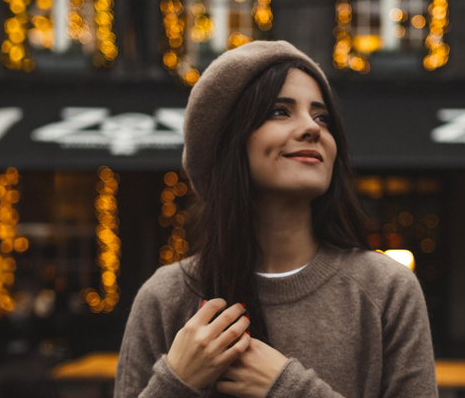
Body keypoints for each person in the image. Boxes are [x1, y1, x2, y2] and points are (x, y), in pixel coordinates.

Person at [114, 40, 438, 398]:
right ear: (230, 141)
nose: (312, 129)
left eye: (322, 117)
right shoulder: (166, 297)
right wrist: (177, 383)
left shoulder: (386, 290)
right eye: (281, 112)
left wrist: (288, 389)